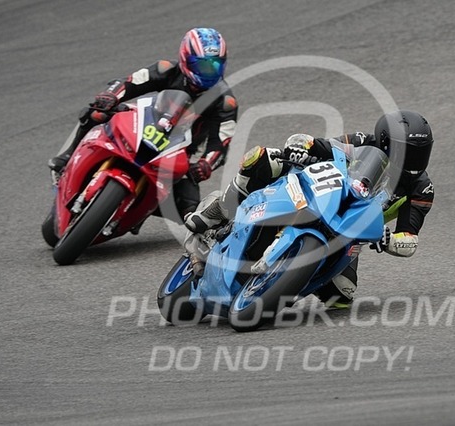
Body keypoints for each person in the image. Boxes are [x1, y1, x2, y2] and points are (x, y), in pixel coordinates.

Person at [184, 110, 435, 309]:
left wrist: (390, 240)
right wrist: (301, 147)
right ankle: (218, 211)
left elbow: (409, 238)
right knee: (265, 158)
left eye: (421, 154)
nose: (414, 162)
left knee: (342, 295)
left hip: (350, 231)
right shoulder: (362, 143)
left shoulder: (421, 189)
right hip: (319, 193)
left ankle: (284, 284)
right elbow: (318, 145)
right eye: (408, 153)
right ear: (386, 142)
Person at [48, 27, 238, 218]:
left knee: (190, 207)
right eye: (202, 65)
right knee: (97, 114)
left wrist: (206, 164)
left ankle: (137, 211)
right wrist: (110, 96)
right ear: (185, 59)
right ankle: (66, 157)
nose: (209, 71)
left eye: (215, 65)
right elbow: (130, 82)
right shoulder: (166, 69)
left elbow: (221, 143)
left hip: (176, 152)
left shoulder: (225, 102)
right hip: (142, 126)